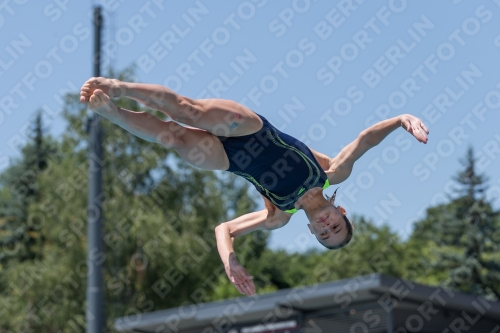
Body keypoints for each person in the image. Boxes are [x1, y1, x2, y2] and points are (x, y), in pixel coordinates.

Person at [80, 77, 429, 296]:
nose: (326, 227)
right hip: (250, 130)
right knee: (188, 111)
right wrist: (401, 120)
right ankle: (120, 88)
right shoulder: (331, 174)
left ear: (311, 232)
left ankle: (114, 114)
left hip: (228, 160)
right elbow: (365, 141)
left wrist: (230, 262)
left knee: (175, 140)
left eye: (324, 235)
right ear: (341, 211)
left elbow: (225, 229)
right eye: (335, 226)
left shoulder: (279, 215)